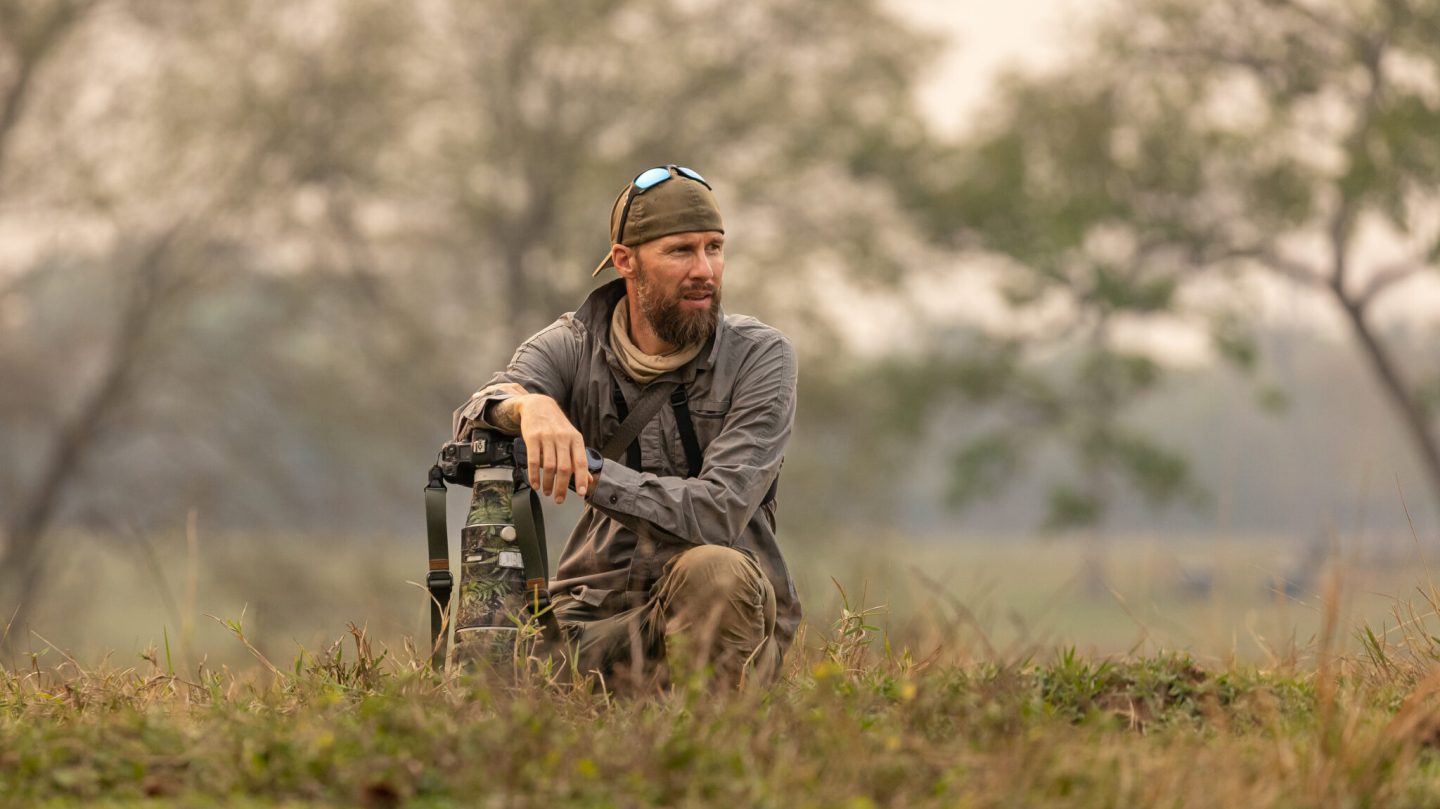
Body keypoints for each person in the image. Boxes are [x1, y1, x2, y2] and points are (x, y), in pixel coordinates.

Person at [451, 165, 799, 691]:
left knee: (713, 569)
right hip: (591, 615)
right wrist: (530, 409)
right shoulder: (571, 344)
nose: (705, 269)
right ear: (625, 261)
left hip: (723, 616)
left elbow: (715, 512)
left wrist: (590, 469)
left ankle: (708, 758)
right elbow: (476, 412)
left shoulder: (760, 358)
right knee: (495, 667)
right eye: (681, 250)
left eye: (715, 248)